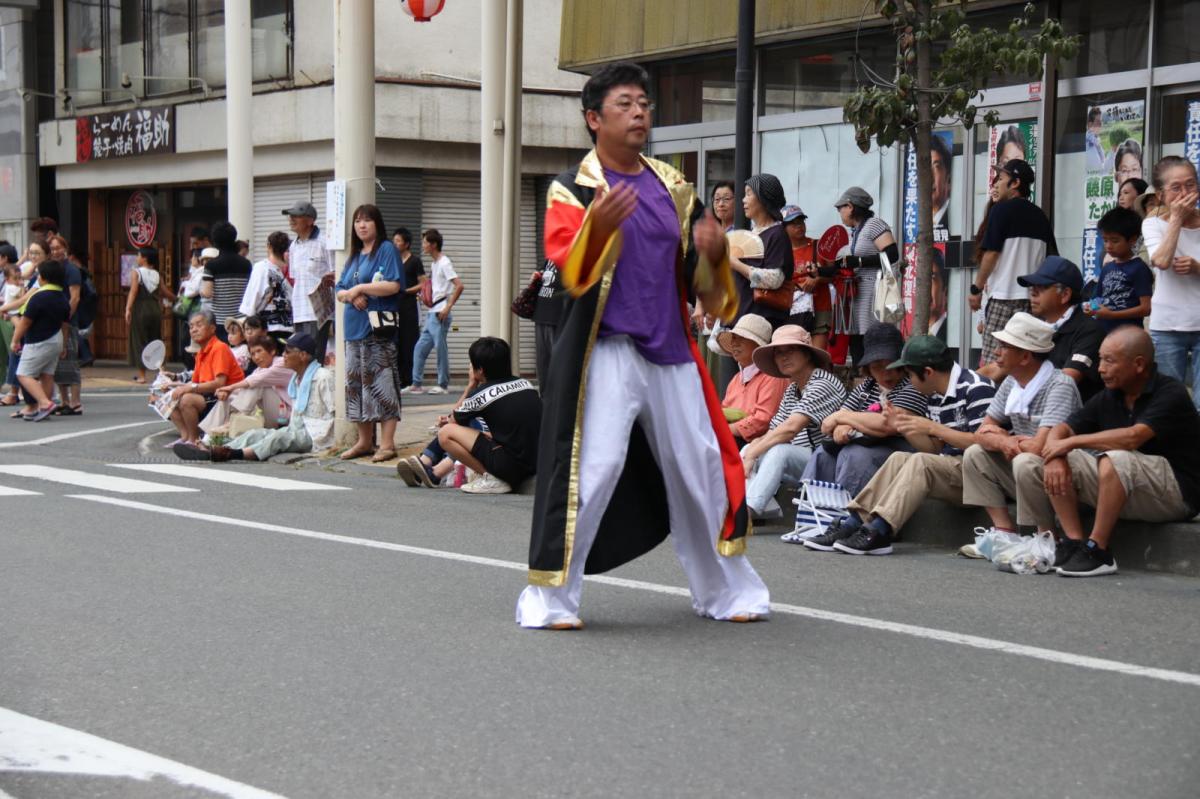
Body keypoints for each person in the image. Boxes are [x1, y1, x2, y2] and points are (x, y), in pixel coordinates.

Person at [517, 61, 768, 630]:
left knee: (700, 466)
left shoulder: (674, 187)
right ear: (594, 118)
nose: (638, 114)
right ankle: (549, 600)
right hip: (605, 351)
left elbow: (712, 296)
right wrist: (599, 228)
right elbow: (571, 275)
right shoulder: (572, 188)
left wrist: (712, 256)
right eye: (625, 104)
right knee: (596, 467)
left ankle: (726, 592)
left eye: (644, 105)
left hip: (671, 350)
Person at [1015, 327, 1200, 577]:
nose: (1100, 368)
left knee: (1115, 457)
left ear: (1138, 364)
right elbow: (1063, 428)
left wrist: (1068, 444)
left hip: (1176, 496)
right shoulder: (1110, 395)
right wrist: (1056, 454)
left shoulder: (1171, 392)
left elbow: (1133, 437)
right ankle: (1071, 543)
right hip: (1127, 488)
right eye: (1100, 359)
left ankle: (1098, 551)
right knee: (1031, 462)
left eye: (1109, 361)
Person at [804, 335, 996, 555]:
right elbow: (934, 449)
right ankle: (853, 522)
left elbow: (984, 445)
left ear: (928, 372)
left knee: (921, 461)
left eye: (910, 374)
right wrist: (905, 427)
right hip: (955, 469)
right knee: (899, 458)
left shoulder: (976, 387)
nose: (909, 381)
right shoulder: (935, 394)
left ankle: (880, 530)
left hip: (982, 477)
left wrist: (932, 428)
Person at [785, 322, 929, 543]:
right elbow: (829, 425)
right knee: (824, 454)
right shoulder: (865, 388)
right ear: (868, 368)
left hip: (902, 450)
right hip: (869, 445)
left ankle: (854, 522)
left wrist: (843, 419)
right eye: (877, 366)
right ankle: (814, 520)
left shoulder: (913, 386)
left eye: (890, 365)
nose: (885, 373)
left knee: (854, 454)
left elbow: (887, 424)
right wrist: (842, 424)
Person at [960, 313, 1082, 543]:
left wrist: (1004, 440)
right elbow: (981, 433)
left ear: (1025, 357)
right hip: (1029, 467)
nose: (997, 352)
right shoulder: (1011, 382)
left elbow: (1040, 448)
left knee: (1025, 461)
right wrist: (1004, 441)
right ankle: (1004, 532)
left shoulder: (1060, 385)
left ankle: (1047, 538)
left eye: (1004, 347)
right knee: (975, 454)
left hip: (1062, 474)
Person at [399, 337, 542, 494]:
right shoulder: (526, 384)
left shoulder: (481, 395)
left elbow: (452, 421)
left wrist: (471, 385)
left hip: (510, 466)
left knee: (446, 433)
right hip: (536, 462)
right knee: (471, 426)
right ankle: (428, 467)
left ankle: (490, 478)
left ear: (480, 370)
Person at [175, 332, 335, 462]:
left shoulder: (322, 377)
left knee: (278, 437)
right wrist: (229, 392)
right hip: (294, 427)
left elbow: (336, 412)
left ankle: (233, 454)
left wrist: (332, 442)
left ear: (303, 356)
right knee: (257, 434)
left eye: (288, 352)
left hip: (315, 434)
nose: (284, 355)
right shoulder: (296, 378)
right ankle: (218, 447)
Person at [741, 325, 846, 519]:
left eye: (791, 350)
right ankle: (741, 506)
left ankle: (748, 512)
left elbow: (790, 429)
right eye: (779, 353)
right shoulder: (792, 389)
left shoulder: (823, 383)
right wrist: (753, 449)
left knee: (779, 452)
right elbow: (775, 430)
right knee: (748, 448)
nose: (784, 357)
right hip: (806, 462)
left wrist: (753, 454)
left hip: (829, 462)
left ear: (807, 354)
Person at [970, 159, 1057, 379]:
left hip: (1003, 298)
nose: (996, 184)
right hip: (1033, 303)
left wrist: (976, 289)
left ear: (1015, 183)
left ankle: (985, 399)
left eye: (1001, 178)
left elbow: (991, 253)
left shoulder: (1001, 210)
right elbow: (1052, 259)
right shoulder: (1041, 216)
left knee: (995, 362)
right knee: (1023, 364)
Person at [334, 204, 404, 463]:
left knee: (382, 384)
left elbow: (393, 285)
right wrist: (351, 295)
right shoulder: (354, 255)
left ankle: (387, 444)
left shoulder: (386, 249)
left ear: (377, 223)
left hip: (378, 329)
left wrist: (361, 288)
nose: (361, 225)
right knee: (356, 386)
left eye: (367, 220)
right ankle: (364, 442)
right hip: (354, 330)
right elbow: (339, 289)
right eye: (357, 221)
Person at [1141, 155, 1200, 411]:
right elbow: (1162, 261)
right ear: (1161, 195)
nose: (1185, 193)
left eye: (1191, 185)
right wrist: (1176, 219)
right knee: (1168, 402)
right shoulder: (1152, 223)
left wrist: (1197, 268)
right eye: (1176, 187)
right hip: (1167, 326)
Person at [1018, 256, 1106, 402]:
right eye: (1032, 287)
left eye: (1042, 287)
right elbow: (1003, 365)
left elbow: (1066, 380)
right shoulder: (1033, 324)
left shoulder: (1089, 329)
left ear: (1065, 295)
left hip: (1068, 411)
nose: (1033, 293)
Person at [835, 186, 898, 365]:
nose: (840, 213)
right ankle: (863, 379)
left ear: (850, 206)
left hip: (873, 294)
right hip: (858, 296)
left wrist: (859, 261)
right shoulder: (856, 231)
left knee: (873, 342)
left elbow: (892, 254)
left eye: (840, 208)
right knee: (857, 346)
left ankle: (875, 378)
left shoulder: (874, 224)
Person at [167, 310, 246, 449]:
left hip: (226, 397)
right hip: (210, 395)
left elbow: (219, 383)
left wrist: (188, 388)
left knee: (186, 399)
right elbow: (195, 382)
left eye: (199, 325)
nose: (194, 330)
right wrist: (176, 386)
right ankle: (185, 437)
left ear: (212, 328)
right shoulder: (201, 352)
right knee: (171, 395)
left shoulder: (219, 348)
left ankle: (194, 440)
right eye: (191, 326)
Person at [8, 258, 70, 421]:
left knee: (23, 374)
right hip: (56, 339)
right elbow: (65, 325)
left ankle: (44, 403)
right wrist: (64, 345)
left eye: (38, 275)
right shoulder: (63, 298)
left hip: (38, 341)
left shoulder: (38, 297)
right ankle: (44, 407)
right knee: (46, 374)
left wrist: (15, 340)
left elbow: (25, 322)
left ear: (43, 278)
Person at [728, 173, 792, 328]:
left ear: (764, 199)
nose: (743, 200)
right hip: (742, 319)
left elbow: (775, 279)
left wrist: (736, 265)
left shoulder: (777, 234)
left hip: (761, 323)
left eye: (749, 194)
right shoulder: (752, 234)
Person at [715, 314, 789, 447]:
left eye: (742, 338)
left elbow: (763, 421)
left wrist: (721, 431)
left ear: (758, 344)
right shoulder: (736, 379)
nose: (734, 343)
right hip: (731, 437)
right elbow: (722, 413)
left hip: (758, 443)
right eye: (733, 338)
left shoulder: (772, 376)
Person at [198, 334, 293, 437]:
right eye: (253, 354)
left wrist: (230, 387)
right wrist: (227, 392)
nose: (256, 357)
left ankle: (233, 421)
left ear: (272, 351)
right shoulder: (259, 370)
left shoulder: (282, 363)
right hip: (269, 415)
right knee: (227, 397)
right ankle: (208, 436)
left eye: (259, 351)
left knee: (257, 385)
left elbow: (256, 380)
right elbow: (243, 388)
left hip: (286, 418)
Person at [406, 228, 462, 394]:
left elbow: (459, 285)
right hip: (432, 312)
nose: (423, 245)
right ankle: (416, 384)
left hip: (440, 312)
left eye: (425, 242)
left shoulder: (444, 263)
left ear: (434, 244)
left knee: (440, 349)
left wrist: (447, 307)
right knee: (419, 348)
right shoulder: (434, 263)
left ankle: (442, 384)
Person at [284, 200, 334, 364]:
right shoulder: (293, 246)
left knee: (313, 357)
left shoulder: (324, 242)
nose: (291, 219)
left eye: (296, 216)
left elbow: (335, 272)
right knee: (299, 358)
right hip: (299, 309)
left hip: (318, 311)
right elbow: (294, 278)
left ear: (310, 220)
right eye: (290, 216)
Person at [1089, 207, 1152, 333]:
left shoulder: (1139, 268)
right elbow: (1098, 298)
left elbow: (1146, 308)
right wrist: (1091, 308)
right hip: (1105, 334)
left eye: (1115, 241)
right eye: (1105, 240)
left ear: (1132, 240)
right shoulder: (1107, 268)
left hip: (1130, 334)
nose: (1108, 246)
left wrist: (1113, 315)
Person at [125, 246, 173, 384]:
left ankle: (142, 375)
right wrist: (177, 299)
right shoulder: (157, 274)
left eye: (139, 255)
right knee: (156, 341)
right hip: (155, 309)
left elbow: (133, 291)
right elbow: (165, 292)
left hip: (140, 308)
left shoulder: (136, 272)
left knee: (139, 341)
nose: (137, 258)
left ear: (144, 258)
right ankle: (162, 372)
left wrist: (128, 308)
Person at [47, 235, 83, 415]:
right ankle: (64, 401)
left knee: (70, 360)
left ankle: (75, 403)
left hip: (68, 321)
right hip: (54, 321)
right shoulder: (53, 269)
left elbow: (75, 298)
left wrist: (66, 318)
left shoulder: (72, 270)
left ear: (65, 249)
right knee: (59, 364)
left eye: (58, 248)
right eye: (52, 249)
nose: (55, 252)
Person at [200, 221, 252, 342]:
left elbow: (207, 293)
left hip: (220, 321)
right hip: (241, 320)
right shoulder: (246, 264)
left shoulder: (211, 265)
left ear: (215, 242)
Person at [240, 230, 294, 339]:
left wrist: (248, 323)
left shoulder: (262, 267)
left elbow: (253, 295)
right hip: (288, 327)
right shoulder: (289, 269)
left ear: (269, 246)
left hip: (267, 328)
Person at [391, 227, 425, 389]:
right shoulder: (393, 260)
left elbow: (423, 283)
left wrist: (407, 290)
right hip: (394, 305)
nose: (395, 244)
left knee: (409, 341)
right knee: (395, 341)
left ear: (407, 244)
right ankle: (397, 378)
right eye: (394, 241)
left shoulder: (415, 261)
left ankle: (409, 379)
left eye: (398, 241)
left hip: (409, 305)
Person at [781, 205, 819, 333]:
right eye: (793, 223)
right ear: (783, 228)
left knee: (818, 345)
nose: (799, 226)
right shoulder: (780, 251)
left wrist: (817, 279)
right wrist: (797, 286)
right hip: (791, 309)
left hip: (819, 306)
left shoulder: (818, 246)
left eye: (801, 221)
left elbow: (834, 274)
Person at [530, 259, 566, 391]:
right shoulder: (551, 258)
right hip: (542, 315)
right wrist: (536, 278)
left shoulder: (573, 254)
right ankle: (544, 398)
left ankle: (557, 397)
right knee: (543, 365)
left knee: (559, 365)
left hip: (559, 318)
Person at [930, 132, 953, 241]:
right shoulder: (921, 222)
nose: (929, 176)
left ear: (948, 178)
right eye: (925, 168)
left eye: (936, 167)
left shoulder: (954, 219)